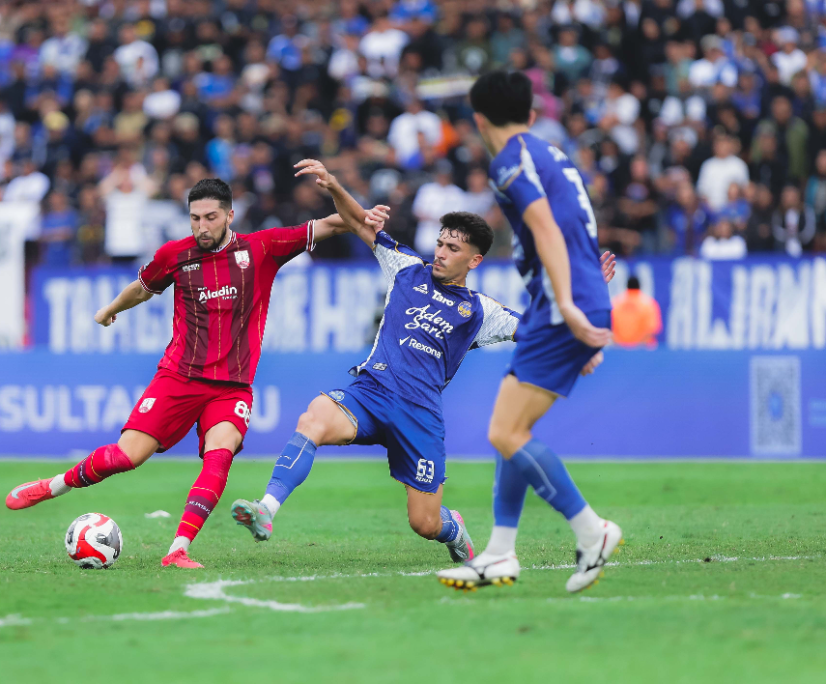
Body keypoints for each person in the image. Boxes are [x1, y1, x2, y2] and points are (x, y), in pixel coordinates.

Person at [229, 160, 617, 564]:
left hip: (419, 416)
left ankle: (454, 529)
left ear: (474, 260)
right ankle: (266, 509)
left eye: (453, 249)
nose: (441, 253)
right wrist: (333, 185)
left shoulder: (481, 312)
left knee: (425, 523)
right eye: (441, 243)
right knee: (313, 418)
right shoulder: (407, 269)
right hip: (371, 393)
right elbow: (360, 222)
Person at [3, 178, 385, 569]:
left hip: (232, 387)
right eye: (195, 218)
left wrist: (357, 209)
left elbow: (332, 224)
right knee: (126, 456)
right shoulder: (175, 255)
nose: (202, 226)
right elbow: (143, 288)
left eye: (211, 217)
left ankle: (178, 549)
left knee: (219, 455)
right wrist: (110, 309)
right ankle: (52, 486)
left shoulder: (262, 248)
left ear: (230, 215)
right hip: (178, 377)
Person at [437, 71, 621, 594]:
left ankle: (593, 530)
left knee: (506, 432)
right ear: (532, 115)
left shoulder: (509, 161)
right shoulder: (550, 153)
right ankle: (499, 553)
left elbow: (545, 228)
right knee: (510, 428)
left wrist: (570, 309)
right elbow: (574, 230)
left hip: (562, 305)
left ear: (478, 121)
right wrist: (581, 304)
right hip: (562, 302)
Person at [612, 276, 662, 348]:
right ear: (639, 286)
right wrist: (636, 348)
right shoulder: (648, 304)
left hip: (620, 350)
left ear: (626, 286)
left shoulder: (615, 303)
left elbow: (609, 329)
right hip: (643, 350)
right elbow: (651, 330)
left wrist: (623, 347)